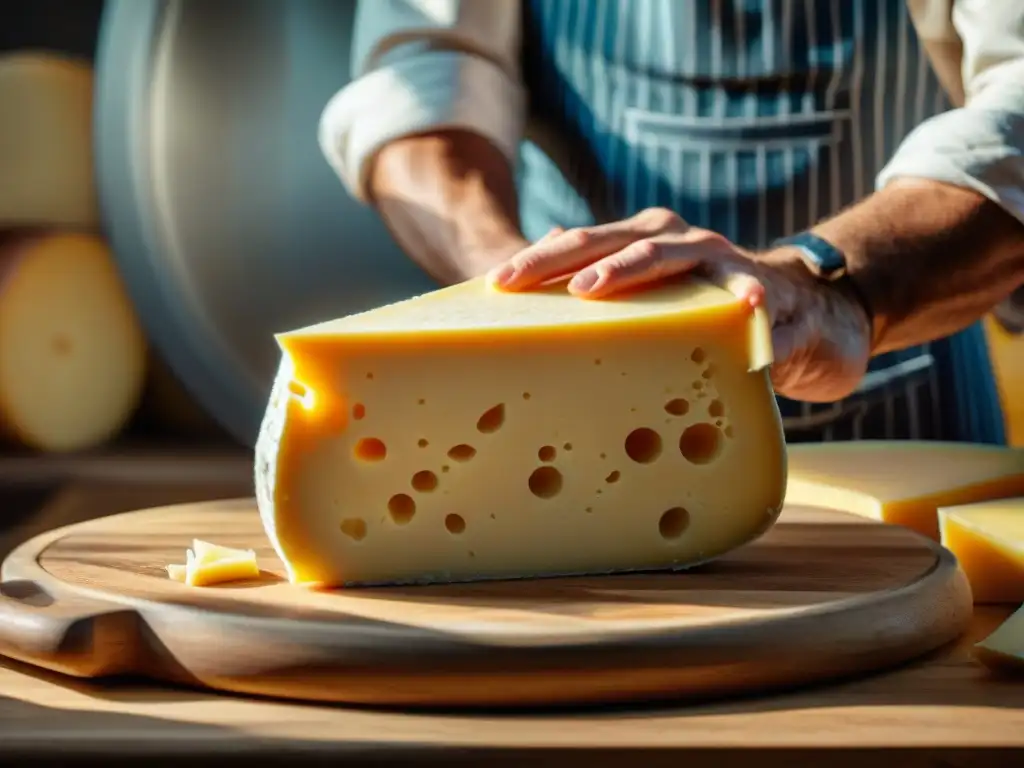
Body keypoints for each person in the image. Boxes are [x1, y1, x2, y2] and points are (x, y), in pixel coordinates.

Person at [319, 0, 1024, 444]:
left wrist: (827, 289)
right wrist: (513, 282)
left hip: (910, 404)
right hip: (578, 434)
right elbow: (424, 70)